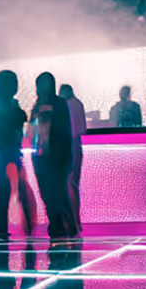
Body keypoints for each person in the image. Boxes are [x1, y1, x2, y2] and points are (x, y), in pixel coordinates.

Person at [0, 71, 34, 240]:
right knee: (7, 192)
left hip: (4, 153)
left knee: (6, 192)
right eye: (13, 83)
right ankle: (6, 231)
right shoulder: (3, 105)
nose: (16, 86)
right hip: (4, 152)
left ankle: (3, 231)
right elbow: (18, 118)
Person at [30, 72, 76, 239]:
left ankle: (61, 226)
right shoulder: (40, 105)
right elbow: (32, 132)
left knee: (56, 193)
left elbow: (64, 132)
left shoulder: (58, 104)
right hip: (42, 156)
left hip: (56, 157)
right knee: (49, 193)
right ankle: (60, 226)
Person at [58, 84, 86, 235]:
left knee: (68, 185)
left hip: (69, 147)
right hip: (76, 147)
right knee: (73, 185)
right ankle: (75, 221)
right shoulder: (78, 104)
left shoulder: (66, 105)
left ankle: (71, 221)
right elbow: (82, 130)